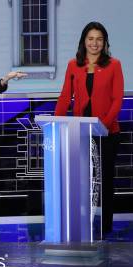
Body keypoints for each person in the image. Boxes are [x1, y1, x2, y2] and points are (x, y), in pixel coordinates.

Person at [55, 22, 124, 234]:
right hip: (81, 131)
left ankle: (105, 226)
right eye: (91, 39)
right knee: (82, 179)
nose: (94, 43)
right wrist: (56, 122)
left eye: (99, 39)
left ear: (105, 43)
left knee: (105, 180)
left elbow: (117, 99)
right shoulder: (73, 65)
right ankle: (82, 222)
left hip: (107, 132)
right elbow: (66, 96)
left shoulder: (114, 65)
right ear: (84, 41)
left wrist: (102, 124)